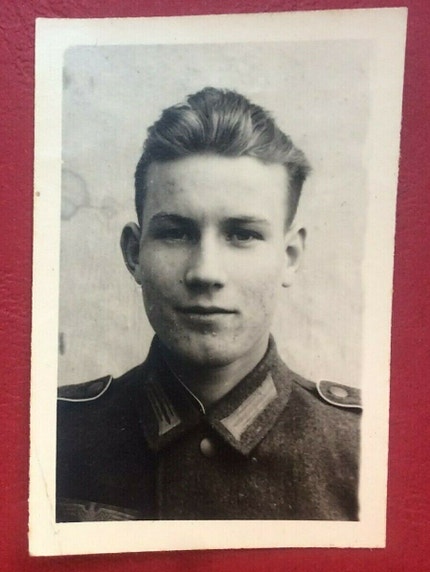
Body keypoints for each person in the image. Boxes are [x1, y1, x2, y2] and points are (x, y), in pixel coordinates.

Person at [56, 87, 361, 522]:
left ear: (289, 256)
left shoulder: (364, 449)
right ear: (134, 253)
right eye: (176, 233)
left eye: (242, 234)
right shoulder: (51, 433)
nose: (205, 272)